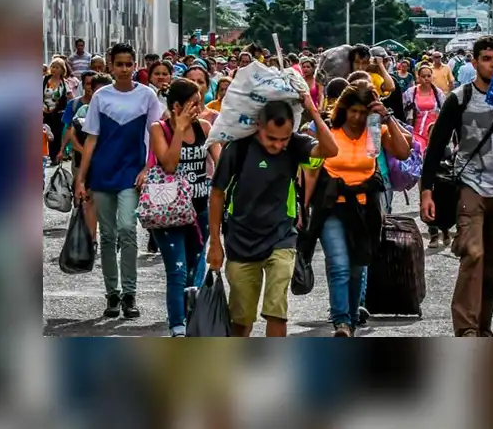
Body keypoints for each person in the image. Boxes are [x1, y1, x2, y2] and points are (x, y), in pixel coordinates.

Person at [207, 94, 339, 337]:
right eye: (271, 139)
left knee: (276, 309)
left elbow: (331, 149)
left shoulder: (296, 145)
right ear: (258, 125)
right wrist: (215, 243)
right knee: (241, 317)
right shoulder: (239, 148)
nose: (278, 145)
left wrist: (312, 110)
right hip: (240, 240)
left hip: (281, 237)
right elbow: (217, 194)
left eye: (283, 139)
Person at [420, 36, 493, 336]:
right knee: (473, 254)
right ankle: (466, 329)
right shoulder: (460, 98)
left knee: (492, 261)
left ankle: (483, 326)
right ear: (474, 62)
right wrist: (426, 191)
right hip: (470, 184)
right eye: (487, 59)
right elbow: (436, 146)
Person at [306, 82, 411, 336]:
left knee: (357, 266)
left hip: (365, 211)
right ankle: (341, 321)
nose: (357, 117)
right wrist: (304, 209)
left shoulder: (374, 130)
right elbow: (311, 171)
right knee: (339, 265)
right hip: (332, 207)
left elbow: (403, 151)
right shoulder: (330, 130)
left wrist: (385, 116)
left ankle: (351, 317)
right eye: (352, 111)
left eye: (363, 112)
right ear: (344, 109)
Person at [76, 42, 164, 319]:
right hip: (102, 174)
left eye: (129, 64)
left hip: (131, 173)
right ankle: (112, 295)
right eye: (119, 64)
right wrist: (81, 178)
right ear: (111, 66)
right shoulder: (100, 97)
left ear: (135, 65)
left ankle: (130, 294)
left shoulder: (148, 96)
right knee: (108, 235)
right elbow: (91, 139)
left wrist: (147, 169)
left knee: (127, 228)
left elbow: (155, 136)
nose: (124, 69)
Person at [149, 78, 222, 337]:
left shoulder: (204, 127)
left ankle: (192, 321)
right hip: (169, 212)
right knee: (177, 270)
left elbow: (220, 162)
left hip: (199, 209)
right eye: (193, 104)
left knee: (194, 269)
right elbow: (168, 164)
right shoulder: (159, 129)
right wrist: (178, 130)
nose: (198, 110)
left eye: (200, 104)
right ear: (176, 106)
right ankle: (177, 327)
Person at [66, 73, 113, 236]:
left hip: (110, 163)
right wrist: (83, 151)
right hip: (88, 162)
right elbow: (72, 134)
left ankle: (113, 233)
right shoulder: (84, 110)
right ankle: (92, 238)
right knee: (89, 199)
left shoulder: (116, 111)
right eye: (98, 91)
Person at [402, 63, 445, 152]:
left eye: (429, 76)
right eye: (423, 76)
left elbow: (445, 111)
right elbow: (403, 107)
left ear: (432, 77)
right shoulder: (411, 92)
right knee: (419, 151)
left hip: (433, 131)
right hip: (416, 129)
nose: (426, 78)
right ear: (418, 77)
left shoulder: (438, 93)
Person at [43, 58, 70, 165]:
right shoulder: (44, 80)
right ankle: (47, 155)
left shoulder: (64, 83)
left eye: (57, 67)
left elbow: (69, 96)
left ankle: (55, 157)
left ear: (62, 70)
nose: (54, 69)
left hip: (58, 113)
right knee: (46, 134)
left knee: (57, 134)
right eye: (53, 66)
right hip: (44, 112)